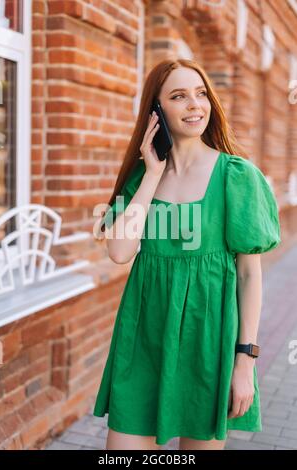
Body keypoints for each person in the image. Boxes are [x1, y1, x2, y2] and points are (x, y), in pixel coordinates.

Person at [92, 59, 281, 450]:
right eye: (179, 96)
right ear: (156, 112)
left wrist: (245, 361)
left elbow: (249, 274)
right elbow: (119, 251)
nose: (195, 104)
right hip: (144, 339)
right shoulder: (142, 178)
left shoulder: (237, 176)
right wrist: (153, 175)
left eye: (200, 94)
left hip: (209, 339)